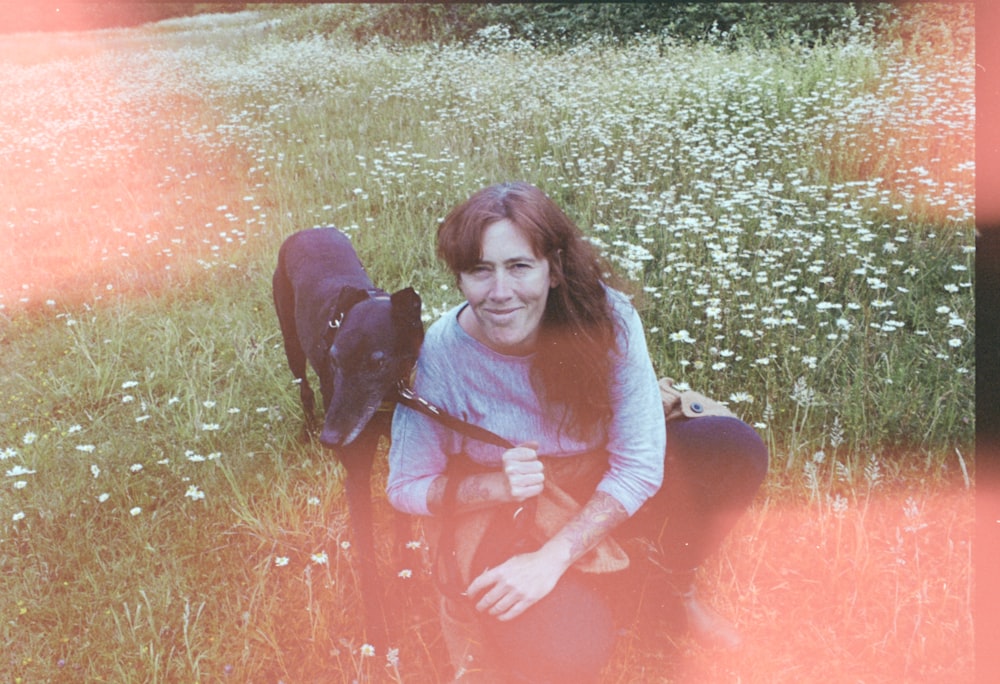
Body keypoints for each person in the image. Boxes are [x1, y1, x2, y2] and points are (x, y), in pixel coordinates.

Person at [387, 181, 768, 682]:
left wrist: (551, 559)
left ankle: (672, 593)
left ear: (555, 270)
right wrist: (493, 486)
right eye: (480, 270)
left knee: (731, 449)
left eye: (519, 266)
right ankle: (593, 594)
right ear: (460, 279)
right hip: (516, 507)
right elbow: (404, 487)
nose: (500, 293)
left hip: (594, 474)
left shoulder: (607, 320)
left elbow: (638, 462)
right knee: (570, 651)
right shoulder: (444, 350)